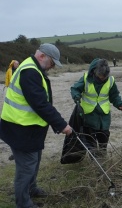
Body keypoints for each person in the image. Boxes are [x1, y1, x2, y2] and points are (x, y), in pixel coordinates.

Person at [0, 43, 73, 208]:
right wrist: (62, 125)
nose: (52, 67)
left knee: (35, 160)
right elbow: (40, 104)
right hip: (19, 128)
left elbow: (41, 103)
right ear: (42, 57)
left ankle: (31, 190)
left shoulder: (33, 67)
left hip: (29, 128)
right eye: (52, 63)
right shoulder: (30, 72)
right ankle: (24, 203)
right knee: (26, 167)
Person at [70, 58, 122, 157]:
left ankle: (102, 155)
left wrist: (120, 104)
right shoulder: (85, 78)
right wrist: (77, 97)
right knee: (90, 139)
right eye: (100, 76)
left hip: (104, 115)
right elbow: (75, 89)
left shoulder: (110, 80)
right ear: (94, 72)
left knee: (104, 137)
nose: (102, 78)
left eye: (105, 77)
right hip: (89, 114)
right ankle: (94, 158)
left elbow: (114, 96)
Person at [4, 60, 20, 161]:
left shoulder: (20, 70)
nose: (17, 65)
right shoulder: (9, 70)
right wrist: (6, 85)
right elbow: (7, 78)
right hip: (11, 88)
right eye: (16, 64)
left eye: (18, 64)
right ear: (12, 64)